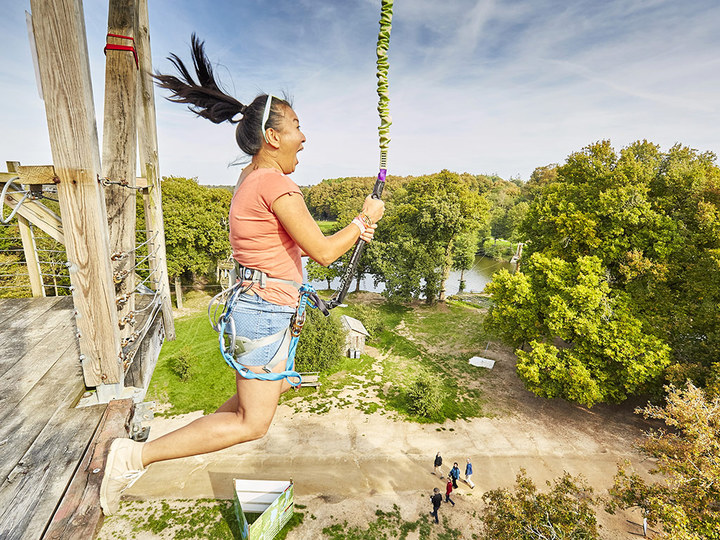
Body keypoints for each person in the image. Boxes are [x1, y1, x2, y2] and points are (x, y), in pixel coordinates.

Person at [99, 35, 385, 516]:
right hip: (263, 313)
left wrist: (354, 230)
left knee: (241, 409)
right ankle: (132, 458)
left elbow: (290, 248)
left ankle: (137, 458)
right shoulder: (276, 183)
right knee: (253, 422)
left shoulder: (253, 178)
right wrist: (361, 221)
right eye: (296, 125)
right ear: (272, 137)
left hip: (263, 308)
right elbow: (322, 252)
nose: (304, 135)